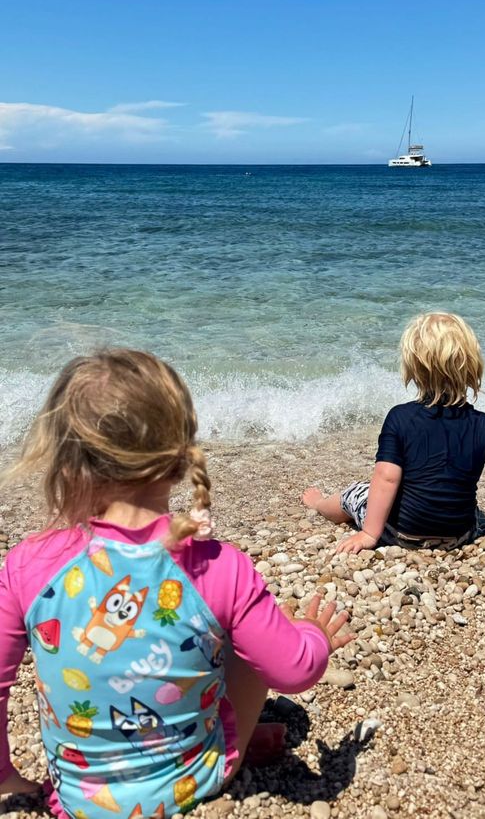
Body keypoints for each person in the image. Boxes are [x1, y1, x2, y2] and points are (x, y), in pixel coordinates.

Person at [0, 349, 352, 818]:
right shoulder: (217, 567)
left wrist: (6, 775)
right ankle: (233, 740)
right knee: (235, 635)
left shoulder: (30, 563)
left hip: (78, 800)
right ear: (178, 461)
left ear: (68, 458)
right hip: (194, 784)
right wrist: (313, 636)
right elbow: (294, 672)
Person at [303, 312, 485, 556]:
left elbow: (386, 478)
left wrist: (370, 534)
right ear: (471, 366)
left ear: (414, 368)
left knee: (356, 492)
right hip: (460, 535)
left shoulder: (399, 417)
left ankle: (319, 504)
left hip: (401, 533)